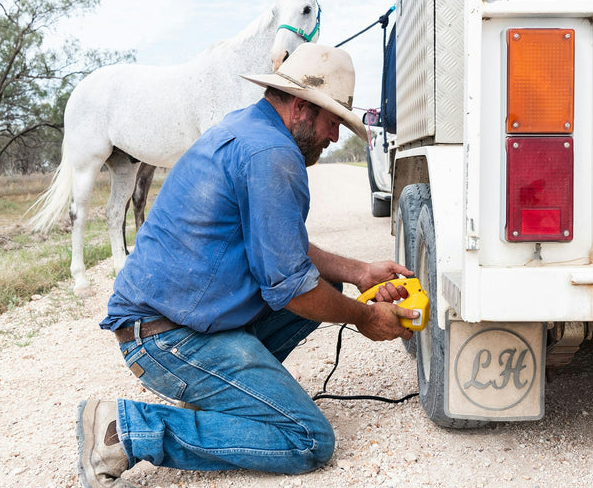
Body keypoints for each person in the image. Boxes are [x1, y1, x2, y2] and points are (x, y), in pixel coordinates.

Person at [75, 43, 417, 488]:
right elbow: (292, 288)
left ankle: (224, 398)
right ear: (301, 107)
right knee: (307, 439)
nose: (335, 136)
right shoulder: (270, 155)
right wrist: (368, 318)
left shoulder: (249, 129)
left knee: (329, 281)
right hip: (166, 339)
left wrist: (359, 273)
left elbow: (281, 249)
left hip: (176, 323)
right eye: (333, 121)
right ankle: (124, 430)